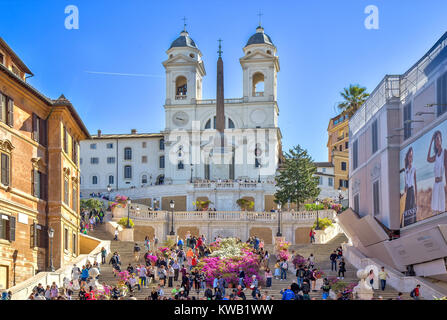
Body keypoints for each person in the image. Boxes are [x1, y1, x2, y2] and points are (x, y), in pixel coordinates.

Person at [427, 130, 447, 215]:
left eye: (438, 139)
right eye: (436, 140)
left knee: (442, 210)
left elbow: (446, 170)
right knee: (434, 211)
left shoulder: (444, 152)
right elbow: (428, 159)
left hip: (441, 184)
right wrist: (431, 141)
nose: (437, 141)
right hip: (435, 185)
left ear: (441, 140)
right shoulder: (436, 156)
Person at [403, 147, 418, 226]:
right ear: (407, 157)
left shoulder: (414, 168)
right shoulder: (405, 170)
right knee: (407, 210)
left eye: (412, 156)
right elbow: (405, 184)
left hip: (412, 191)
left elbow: (415, 183)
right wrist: (404, 194)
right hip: (407, 192)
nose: (410, 158)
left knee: (412, 209)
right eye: (409, 156)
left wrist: (417, 196)